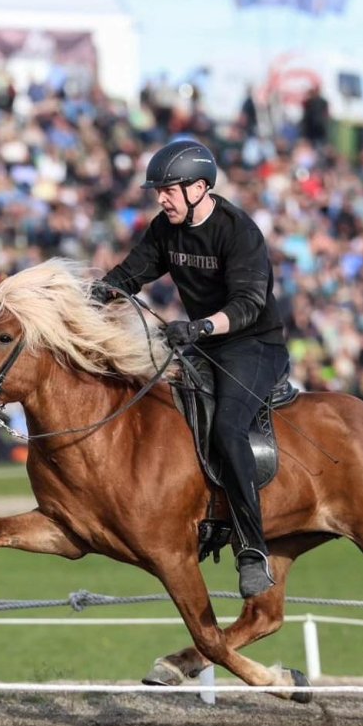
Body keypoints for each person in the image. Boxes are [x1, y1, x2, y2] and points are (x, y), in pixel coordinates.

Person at [93, 139, 289, 598]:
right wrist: (91, 297)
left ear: (200, 187)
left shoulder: (239, 230)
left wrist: (199, 327)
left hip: (252, 345)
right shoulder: (166, 228)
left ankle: (251, 548)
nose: (161, 198)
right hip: (202, 343)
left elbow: (248, 305)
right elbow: (129, 275)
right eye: (158, 190)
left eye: (169, 189)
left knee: (226, 427)